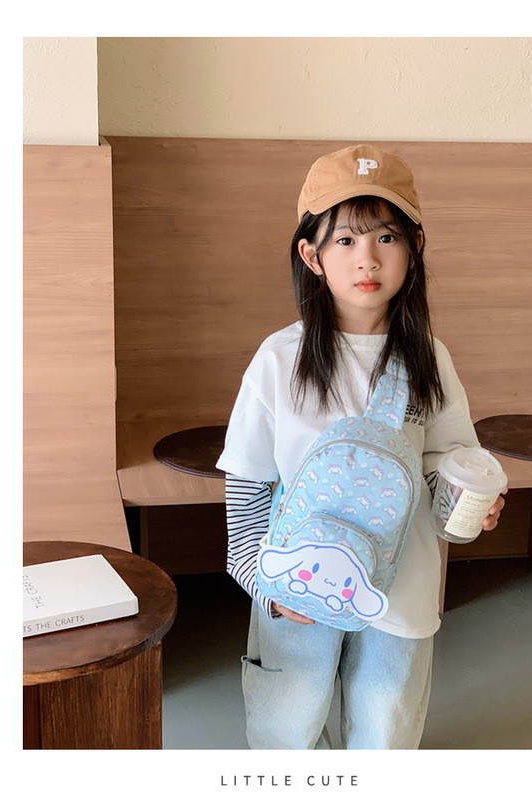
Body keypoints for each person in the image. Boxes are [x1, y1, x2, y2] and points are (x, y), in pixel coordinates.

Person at [216, 144, 506, 749]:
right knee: (285, 735)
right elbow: (247, 486)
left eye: (386, 237)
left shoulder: (429, 358)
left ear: (414, 247)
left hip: (401, 592)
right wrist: (264, 586)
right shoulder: (279, 360)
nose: (367, 258)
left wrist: (467, 508)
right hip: (297, 592)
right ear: (311, 255)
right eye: (345, 240)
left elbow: (447, 468)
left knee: (385, 733)